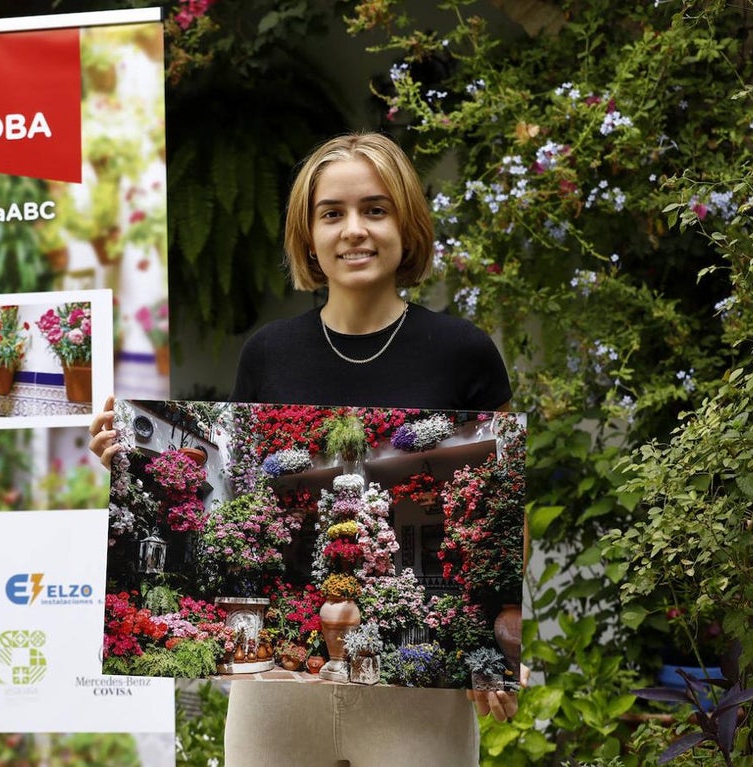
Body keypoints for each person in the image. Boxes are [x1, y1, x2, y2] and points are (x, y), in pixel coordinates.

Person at [91, 132, 523, 766]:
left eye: (375, 209)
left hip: (416, 704)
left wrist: (496, 647)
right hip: (276, 706)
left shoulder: (463, 352)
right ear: (309, 236)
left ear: (406, 224)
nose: (355, 230)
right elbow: (233, 488)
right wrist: (127, 462)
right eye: (332, 213)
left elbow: (506, 499)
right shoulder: (268, 354)